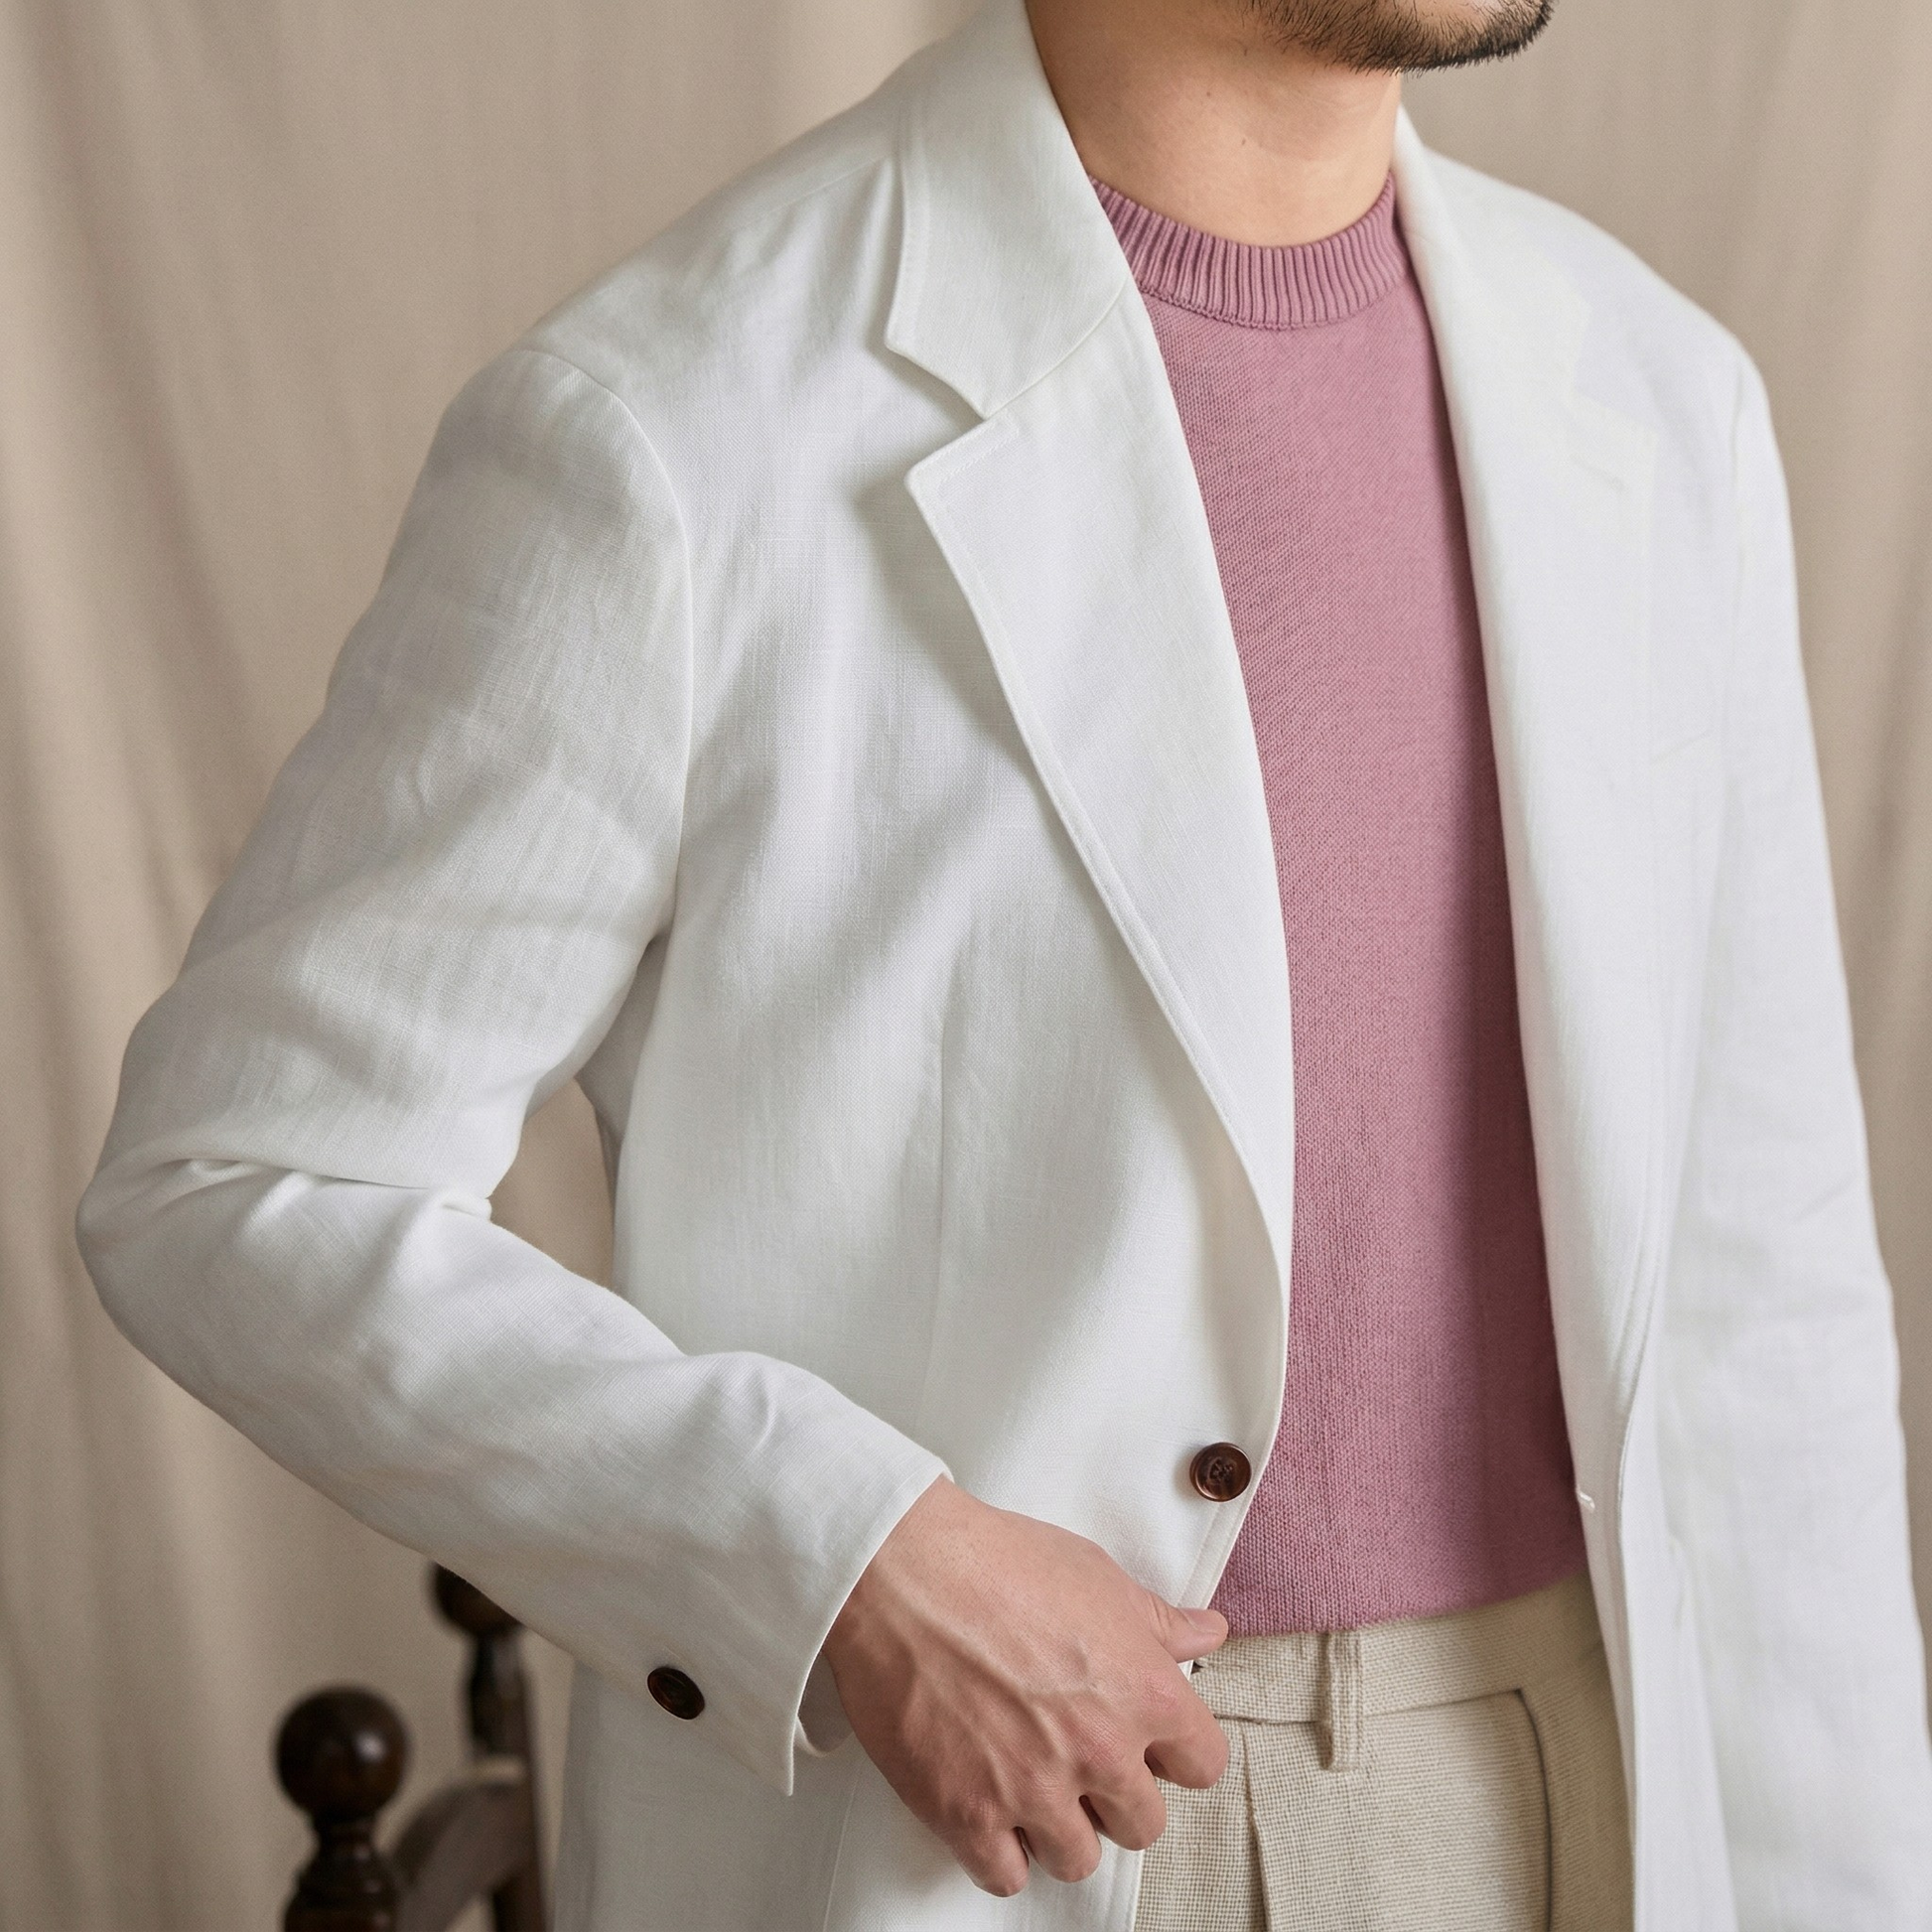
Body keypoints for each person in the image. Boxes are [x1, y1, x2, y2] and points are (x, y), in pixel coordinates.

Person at [75, 0, 1932, 1924]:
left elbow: (1763, 1292)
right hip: (1018, 1831)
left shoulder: (1652, 389)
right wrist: (844, 1558)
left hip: (1613, 1776)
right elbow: (239, 1178)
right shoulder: (675, 416)